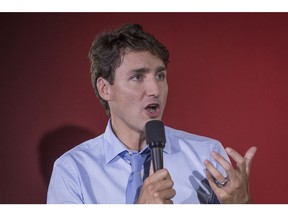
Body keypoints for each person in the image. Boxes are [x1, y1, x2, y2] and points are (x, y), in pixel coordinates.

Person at [47, 23, 257, 204]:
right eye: (138, 77)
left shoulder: (207, 155)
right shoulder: (72, 170)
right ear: (105, 89)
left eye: (160, 75)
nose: (155, 90)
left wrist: (242, 206)